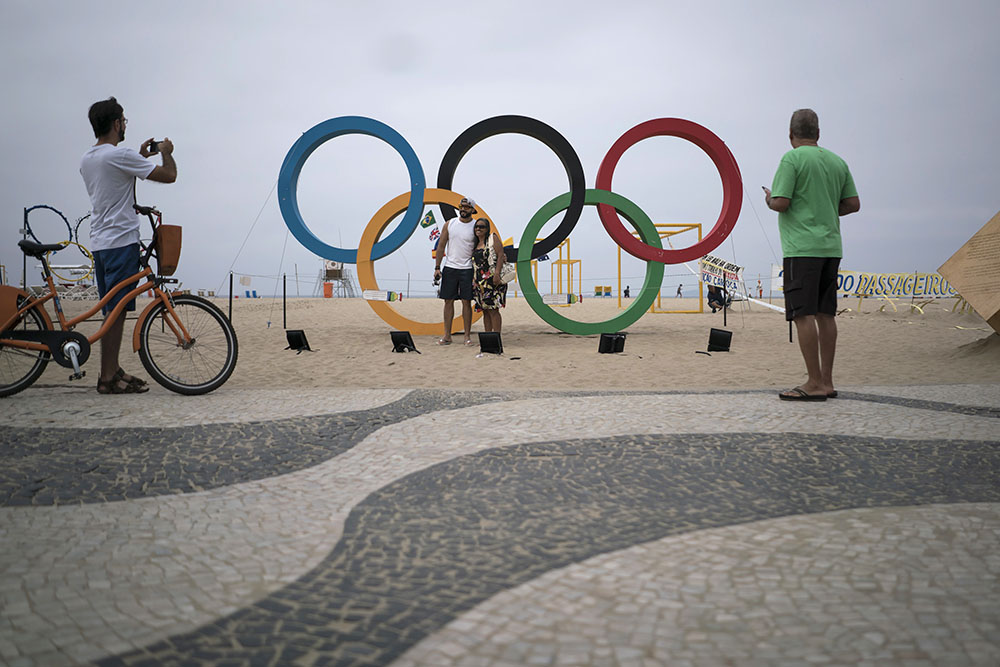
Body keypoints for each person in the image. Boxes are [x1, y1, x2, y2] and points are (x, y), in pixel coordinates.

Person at [80, 97, 176, 394]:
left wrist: (139, 156)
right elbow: (169, 176)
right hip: (121, 241)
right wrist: (166, 153)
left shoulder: (89, 158)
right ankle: (107, 377)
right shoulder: (118, 156)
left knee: (112, 309)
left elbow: (123, 183)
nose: (126, 125)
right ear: (116, 123)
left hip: (100, 242)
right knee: (117, 310)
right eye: (124, 120)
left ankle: (112, 369)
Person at [764, 108, 860, 401]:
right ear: (818, 134)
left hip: (801, 248)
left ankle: (814, 381)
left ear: (791, 134)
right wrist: (828, 209)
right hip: (831, 247)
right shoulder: (836, 161)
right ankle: (827, 381)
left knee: (802, 314)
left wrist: (769, 198)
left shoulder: (791, 159)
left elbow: (782, 202)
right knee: (825, 314)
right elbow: (853, 203)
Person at [433, 197, 477, 345]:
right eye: (462, 207)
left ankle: (467, 336)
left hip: (468, 269)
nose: (463, 209)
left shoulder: (476, 226)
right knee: (448, 301)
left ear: (472, 210)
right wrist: (437, 267)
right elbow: (441, 246)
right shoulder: (450, 224)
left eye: (467, 207)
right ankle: (447, 336)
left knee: (466, 302)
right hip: (450, 267)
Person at [471, 218, 507, 333]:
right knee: (485, 311)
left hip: (492, 281)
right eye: (476, 226)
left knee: (493, 310)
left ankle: (496, 336)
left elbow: (500, 255)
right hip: (480, 283)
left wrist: (496, 274)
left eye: (482, 227)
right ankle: (488, 336)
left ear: (487, 229)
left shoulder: (492, 239)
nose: (478, 229)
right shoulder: (475, 243)